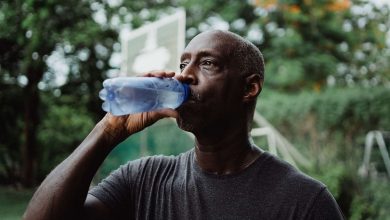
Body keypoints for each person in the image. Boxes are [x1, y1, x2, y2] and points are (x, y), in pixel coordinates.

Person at [24, 30, 344, 220]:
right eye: (182, 63)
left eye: (207, 64)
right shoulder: (143, 180)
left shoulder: (304, 201)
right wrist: (107, 132)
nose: (183, 75)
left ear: (249, 88)